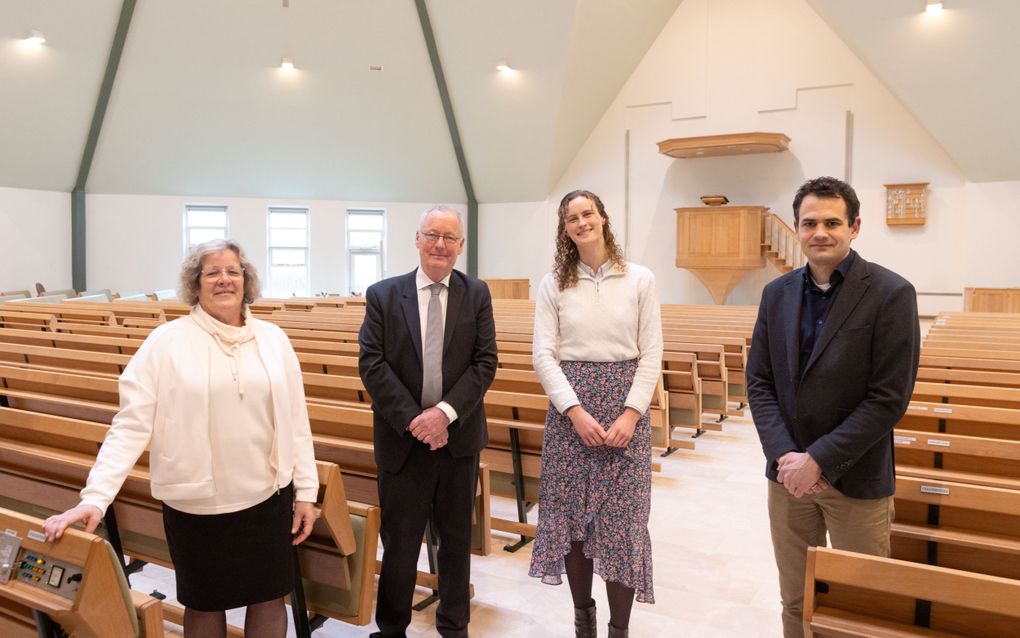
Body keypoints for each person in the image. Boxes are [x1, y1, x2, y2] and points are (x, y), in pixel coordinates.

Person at [43, 239, 318, 638]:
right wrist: (95, 498)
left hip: (266, 498)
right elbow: (130, 424)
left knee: (269, 598)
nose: (224, 279)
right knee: (204, 602)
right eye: (213, 272)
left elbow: (296, 420)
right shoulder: (166, 341)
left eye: (233, 271)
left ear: (246, 279)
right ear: (196, 282)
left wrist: (306, 491)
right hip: (196, 504)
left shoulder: (274, 339)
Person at [746, 176, 921, 638]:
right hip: (787, 478)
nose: (819, 232)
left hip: (856, 477)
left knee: (859, 602)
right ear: (798, 229)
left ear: (855, 226)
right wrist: (788, 457)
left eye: (831, 222)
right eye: (809, 223)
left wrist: (818, 459)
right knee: (795, 597)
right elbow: (759, 384)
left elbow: (889, 398)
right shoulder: (776, 294)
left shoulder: (891, 293)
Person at [358, 206, 497, 638]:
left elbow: (485, 362)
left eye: (450, 238)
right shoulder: (383, 294)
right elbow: (373, 364)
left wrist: (444, 414)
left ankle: (454, 626)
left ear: (460, 246)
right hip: (404, 441)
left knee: (456, 541)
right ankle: (392, 627)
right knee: (400, 544)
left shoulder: (477, 294)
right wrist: (416, 420)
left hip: (458, 439)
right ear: (417, 239)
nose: (440, 244)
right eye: (432, 235)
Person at [529, 190, 662, 638]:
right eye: (572, 218)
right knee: (574, 523)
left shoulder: (640, 278)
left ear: (603, 218)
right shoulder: (554, 283)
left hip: (626, 411)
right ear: (564, 230)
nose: (582, 222)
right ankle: (582, 620)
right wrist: (574, 412)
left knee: (622, 524)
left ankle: (619, 630)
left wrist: (630, 414)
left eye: (588, 214)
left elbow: (651, 354)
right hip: (572, 415)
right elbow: (544, 355)